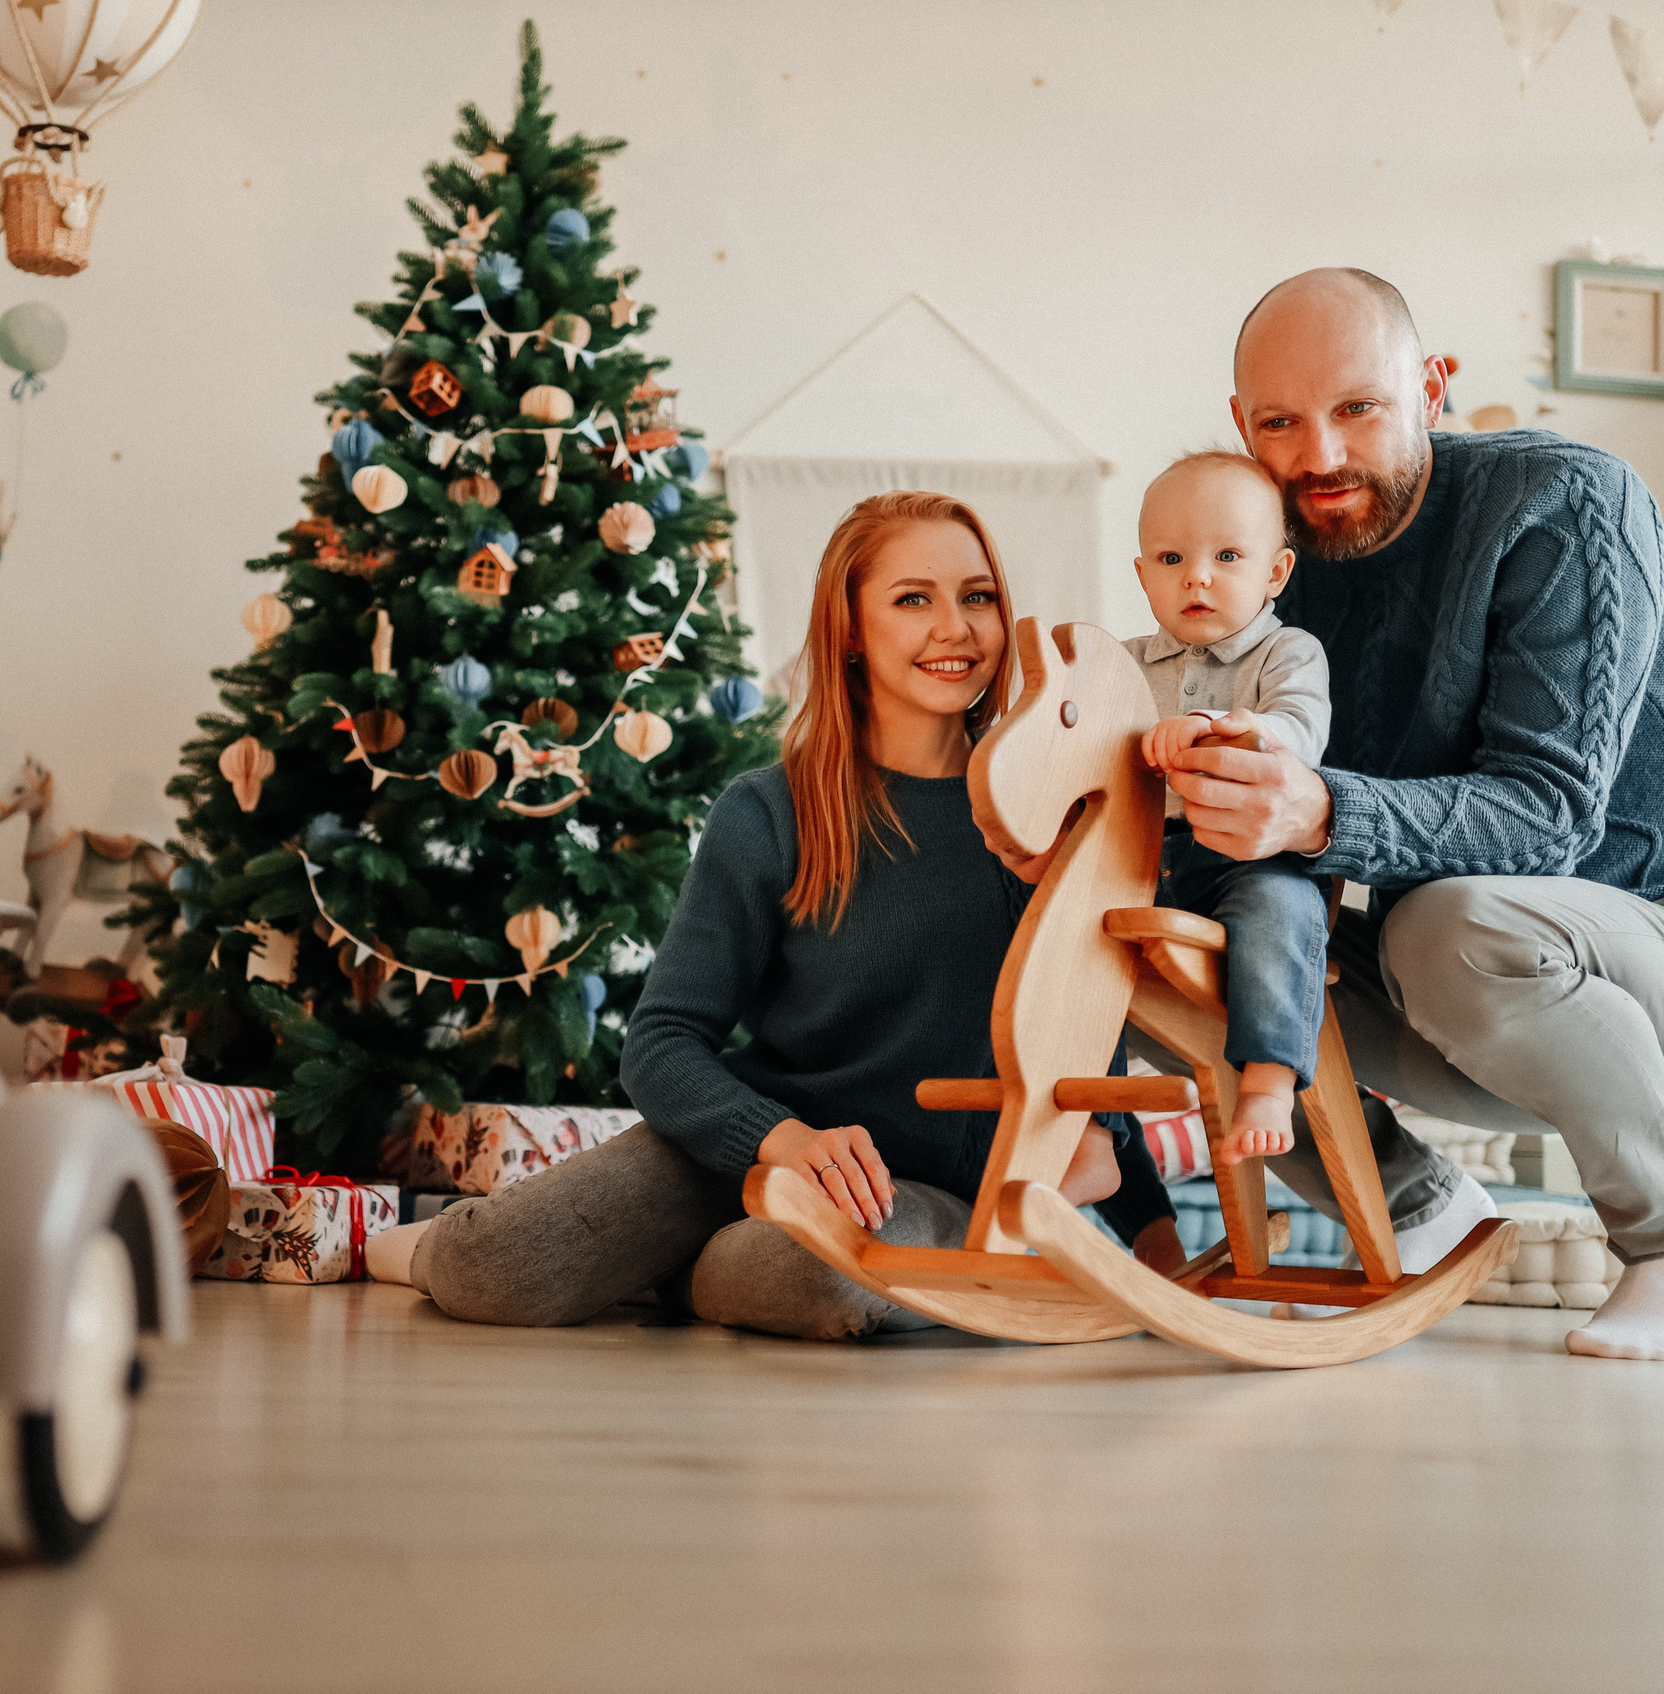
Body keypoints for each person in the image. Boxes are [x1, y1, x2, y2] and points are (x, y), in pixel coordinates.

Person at [363, 491, 1179, 1338]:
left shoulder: (1052, 817)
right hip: (758, 1145)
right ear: (851, 631)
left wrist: (1158, 1243)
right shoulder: (768, 811)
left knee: (810, 1282)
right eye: (913, 599)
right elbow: (663, 1040)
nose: (957, 628)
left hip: (925, 1185)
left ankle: (671, 1272)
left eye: (977, 596)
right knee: (494, 1268)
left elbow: (1090, 1059)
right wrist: (782, 1141)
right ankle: (418, 1244)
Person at [1158, 266, 1664, 1360]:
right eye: (1282, 423)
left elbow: (1548, 816)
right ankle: (1420, 1212)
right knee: (1168, 956)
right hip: (1451, 997)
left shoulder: (1566, 500)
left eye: (1357, 408)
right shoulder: (1274, 560)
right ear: (1242, 427)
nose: (1321, 455)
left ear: (1431, 388)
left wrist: (1311, 809)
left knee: (1446, 923)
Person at [1128, 451, 1331, 1159]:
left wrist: (1224, 730)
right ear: (1143, 573)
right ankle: (1095, 1124)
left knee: (1285, 911)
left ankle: (1270, 1079)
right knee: (1051, 927)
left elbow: (1299, 731)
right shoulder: (1121, 664)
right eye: (1172, 556)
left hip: (1249, 855)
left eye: (1227, 554)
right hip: (1139, 860)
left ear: (1274, 572)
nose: (1198, 575)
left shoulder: (1288, 653)